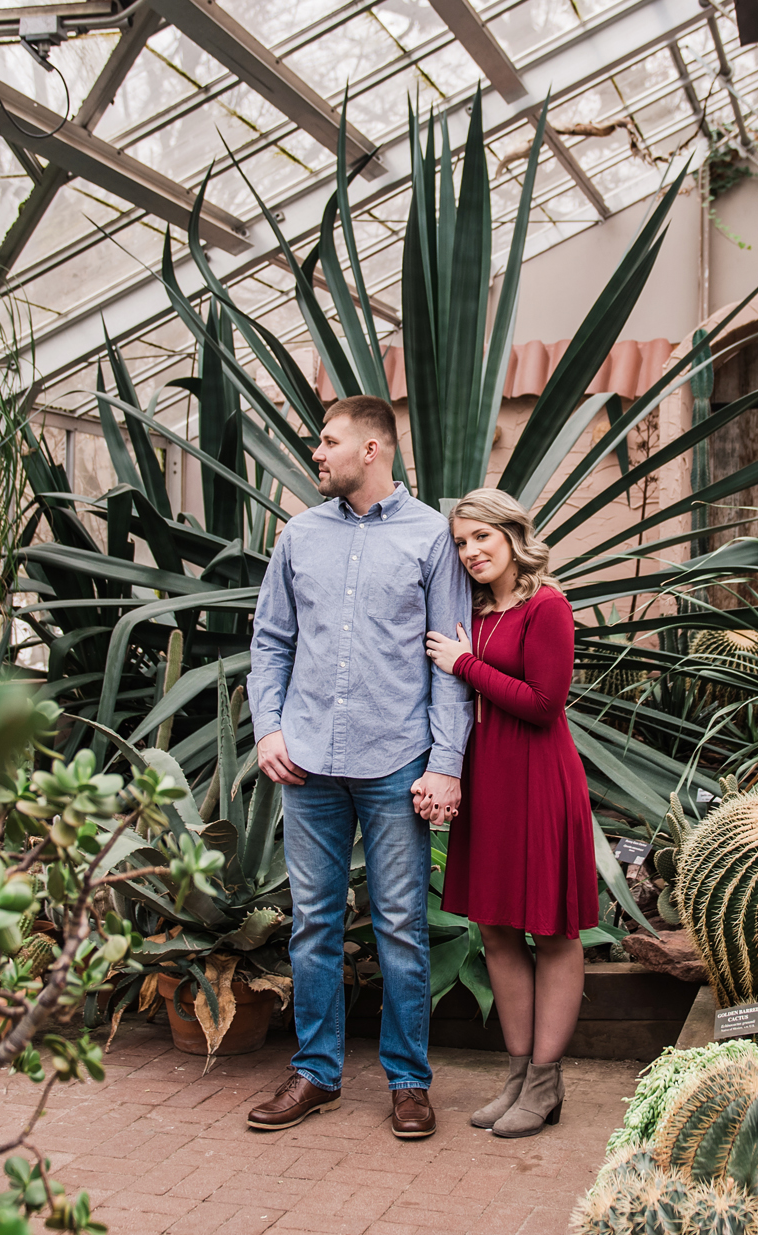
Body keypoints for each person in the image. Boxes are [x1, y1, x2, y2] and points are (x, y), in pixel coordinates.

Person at [244, 394, 472, 1140]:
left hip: (393, 761)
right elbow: (271, 640)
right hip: (306, 761)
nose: (317, 452)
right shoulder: (299, 535)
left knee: (401, 925)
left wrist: (445, 763)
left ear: (372, 449)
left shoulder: (432, 537)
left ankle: (409, 1081)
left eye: (328, 441)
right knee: (312, 922)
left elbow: (450, 659)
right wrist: (269, 727)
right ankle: (316, 1072)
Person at [424, 487, 598, 1139]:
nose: (470, 551)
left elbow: (545, 702)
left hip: (541, 779)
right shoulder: (474, 610)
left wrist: (464, 663)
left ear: (513, 536)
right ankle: (518, 1074)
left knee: (551, 932)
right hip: (489, 780)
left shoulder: (546, 606)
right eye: (462, 542)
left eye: (482, 538)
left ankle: (547, 1082)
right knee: (495, 929)